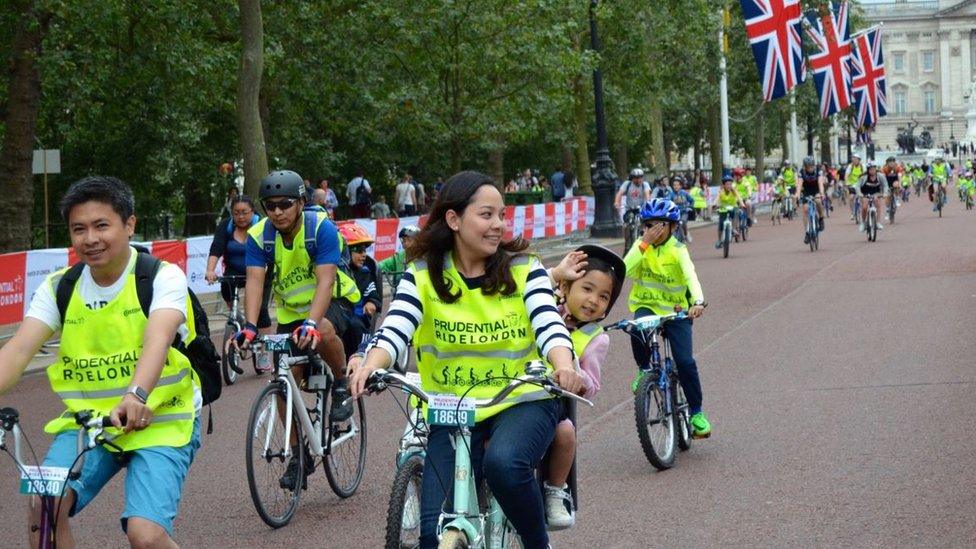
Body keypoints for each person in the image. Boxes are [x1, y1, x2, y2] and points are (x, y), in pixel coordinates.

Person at [349, 171, 583, 549]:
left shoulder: (525, 268)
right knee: (431, 534)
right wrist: (370, 365)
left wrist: (565, 366)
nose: (498, 226)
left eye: (501, 216)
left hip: (522, 400)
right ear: (454, 219)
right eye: (486, 215)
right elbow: (395, 328)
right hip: (452, 409)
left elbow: (549, 326)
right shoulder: (421, 275)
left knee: (504, 465)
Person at [0, 176, 201, 547]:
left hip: (161, 418)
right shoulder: (60, 286)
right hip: (88, 423)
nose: (90, 238)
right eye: (79, 229)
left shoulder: (160, 276)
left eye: (101, 225)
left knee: (146, 533)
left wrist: (136, 395)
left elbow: (157, 340)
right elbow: (17, 352)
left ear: (129, 225)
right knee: (44, 506)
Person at [230, 170, 357, 489]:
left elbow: (326, 280)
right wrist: (248, 327)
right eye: (270, 206)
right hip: (291, 313)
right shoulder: (260, 236)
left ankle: (341, 383)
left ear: (301, 202)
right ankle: (300, 455)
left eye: (285, 204)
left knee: (324, 329)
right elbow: (255, 281)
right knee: (284, 384)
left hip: (332, 303)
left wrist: (312, 323)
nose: (277, 212)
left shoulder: (320, 228)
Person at [542, 245, 624, 529]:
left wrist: (576, 373)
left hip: (554, 403)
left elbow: (592, 385)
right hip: (516, 389)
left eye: (604, 297)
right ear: (566, 286)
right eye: (587, 289)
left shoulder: (596, 338)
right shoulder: (546, 306)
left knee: (565, 434)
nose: (593, 301)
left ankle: (555, 490)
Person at [625, 198, 710, 437]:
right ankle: (644, 371)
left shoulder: (678, 250)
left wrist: (698, 302)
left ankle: (696, 413)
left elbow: (690, 276)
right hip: (647, 307)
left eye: (660, 225)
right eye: (649, 225)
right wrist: (643, 243)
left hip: (677, 311)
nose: (655, 231)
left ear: (672, 226)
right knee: (635, 328)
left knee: (685, 363)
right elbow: (625, 270)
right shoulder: (641, 247)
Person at [205, 195, 274, 372]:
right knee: (227, 291)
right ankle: (239, 319)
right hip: (235, 271)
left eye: (244, 213)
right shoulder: (226, 226)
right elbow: (216, 248)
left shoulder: (264, 226)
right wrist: (210, 270)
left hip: (261, 271)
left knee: (261, 310)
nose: (240, 217)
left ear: (252, 212)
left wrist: (267, 269)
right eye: (236, 213)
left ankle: (264, 352)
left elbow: (271, 249)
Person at [338, 223, 384, 333]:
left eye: (365, 250)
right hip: (338, 318)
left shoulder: (365, 273)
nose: (364, 254)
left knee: (354, 325)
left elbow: (373, 294)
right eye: (359, 250)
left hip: (357, 321)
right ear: (345, 251)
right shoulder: (332, 271)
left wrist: (371, 302)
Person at [614, 168, 652, 238]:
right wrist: (617, 203)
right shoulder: (627, 184)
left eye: (640, 177)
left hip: (641, 208)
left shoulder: (645, 184)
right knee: (627, 224)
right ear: (632, 178)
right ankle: (627, 244)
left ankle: (644, 237)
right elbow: (619, 194)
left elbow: (647, 195)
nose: (638, 180)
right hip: (630, 208)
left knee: (646, 222)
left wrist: (648, 204)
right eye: (636, 178)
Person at [795, 156, 826, 244]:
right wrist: (797, 194)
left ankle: (821, 218)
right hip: (807, 192)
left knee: (818, 201)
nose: (810, 168)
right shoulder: (801, 172)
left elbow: (820, 183)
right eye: (808, 166)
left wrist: (822, 193)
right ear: (805, 166)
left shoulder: (818, 171)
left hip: (816, 190)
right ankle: (807, 232)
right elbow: (799, 184)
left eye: (811, 166)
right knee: (805, 209)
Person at [714, 175, 745, 248]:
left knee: (737, 211)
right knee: (720, 225)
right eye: (727, 184)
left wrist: (742, 204)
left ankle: (733, 229)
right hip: (723, 208)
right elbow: (717, 199)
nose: (729, 186)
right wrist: (714, 204)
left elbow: (739, 197)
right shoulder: (721, 192)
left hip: (733, 207)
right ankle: (719, 241)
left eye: (730, 184)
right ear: (724, 185)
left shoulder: (734, 191)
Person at [857, 162, 888, 231]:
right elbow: (858, 186)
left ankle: (878, 223)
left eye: (874, 169)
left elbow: (885, 185)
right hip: (865, 193)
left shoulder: (880, 176)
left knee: (878, 204)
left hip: (876, 193)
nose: (872, 171)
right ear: (868, 170)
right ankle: (863, 223)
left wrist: (885, 193)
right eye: (870, 169)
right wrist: (859, 194)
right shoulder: (863, 177)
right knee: (864, 207)